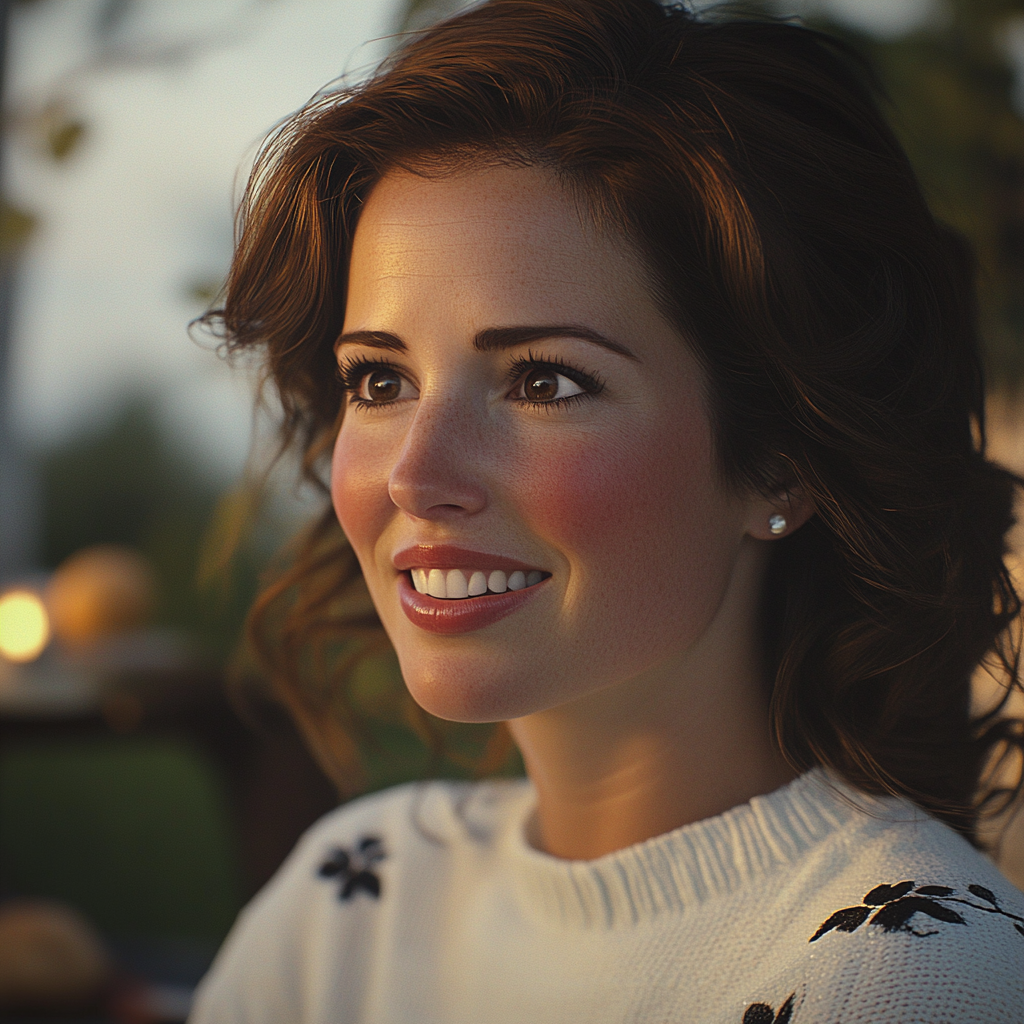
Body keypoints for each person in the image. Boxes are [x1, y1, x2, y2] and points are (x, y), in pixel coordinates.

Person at [189, 1, 1024, 1020]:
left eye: (543, 381)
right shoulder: (354, 899)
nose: (414, 474)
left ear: (779, 463)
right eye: (378, 380)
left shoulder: (913, 977)